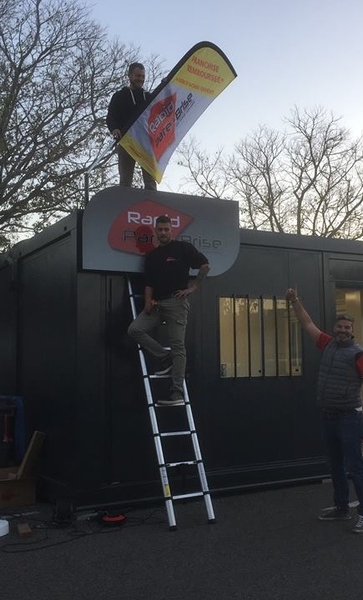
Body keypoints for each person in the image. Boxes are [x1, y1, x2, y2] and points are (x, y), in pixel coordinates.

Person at [285, 287, 363, 534]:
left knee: (355, 467)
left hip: (349, 418)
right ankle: (342, 508)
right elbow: (307, 322)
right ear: (335, 329)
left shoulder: (359, 355)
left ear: (352, 331)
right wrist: (295, 301)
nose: (343, 330)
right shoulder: (327, 344)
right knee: (335, 466)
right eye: (340, 326)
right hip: (328, 416)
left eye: (347, 328)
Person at [128, 215, 210, 406]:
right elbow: (148, 283)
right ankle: (165, 357)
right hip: (157, 304)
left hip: (176, 303)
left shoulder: (183, 248)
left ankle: (177, 394)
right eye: (160, 230)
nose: (163, 233)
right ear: (155, 231)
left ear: (171, 230)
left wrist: (193, 287)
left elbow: (205, 265)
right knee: (134, 329)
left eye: (166, 229)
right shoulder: (152, 256)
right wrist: (148, 301)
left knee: (178, 347)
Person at [106, 62, 157, 190]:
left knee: (150, 180)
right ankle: (124, 204)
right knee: (125, 179)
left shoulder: (149, 97)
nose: (141, 79)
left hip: (146, 142)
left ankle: (152, 205)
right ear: (129, 76)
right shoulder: (119, 96)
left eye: (143, 76)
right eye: (137, 76)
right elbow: (111, 116)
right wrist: (114, 129)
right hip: (126, 142)